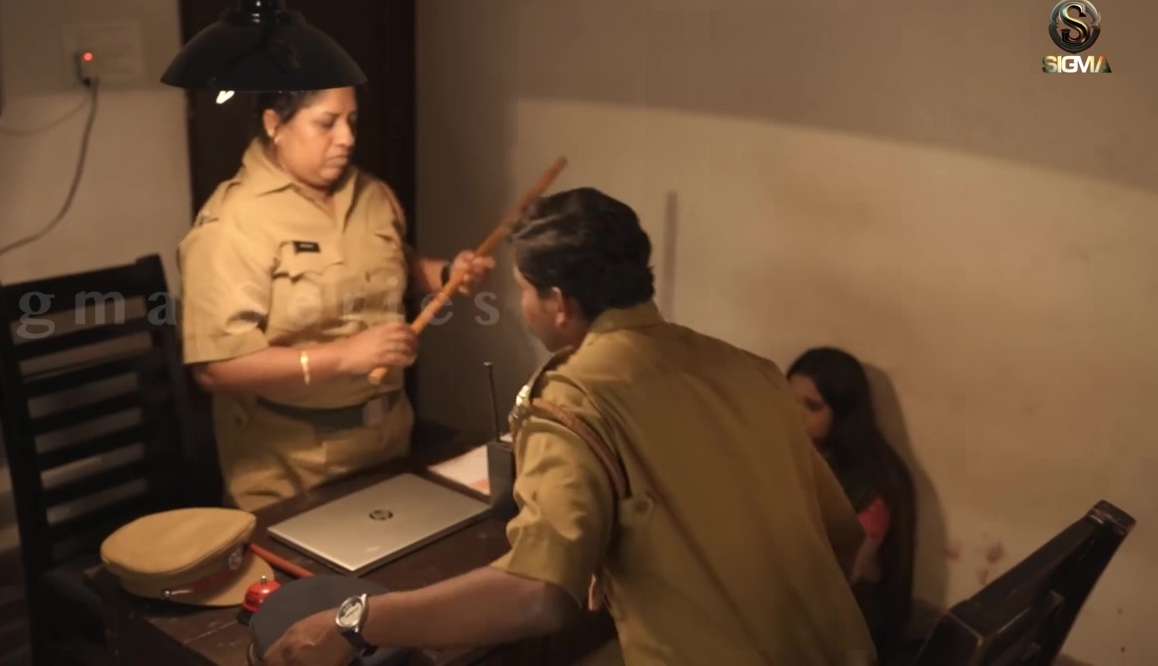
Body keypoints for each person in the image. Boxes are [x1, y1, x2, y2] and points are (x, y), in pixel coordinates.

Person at [262, 187, 875, 666]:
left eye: (523, 290)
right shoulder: (751, 371)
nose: (521, 305)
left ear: (557, 302)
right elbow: (841, 535)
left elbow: (537, 595)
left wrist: (358, 620)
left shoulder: (573, 400)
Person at [177, 87, 494, 511]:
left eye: (352, 121)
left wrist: (447, 274)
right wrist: (344, 357)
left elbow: (397, 265)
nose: (346, 138)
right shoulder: (233, 222)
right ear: (275, 125)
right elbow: (217, 368)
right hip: (291, 468)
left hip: (388, 445)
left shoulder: (372, 194)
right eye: (327, 123)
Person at [787, 347, 917, 658]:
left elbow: (841, 576)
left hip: (847, 619)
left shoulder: (873, 485)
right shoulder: (803, 449)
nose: (794, 415)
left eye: (812, 406)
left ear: (844, 413)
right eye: (788, 400)